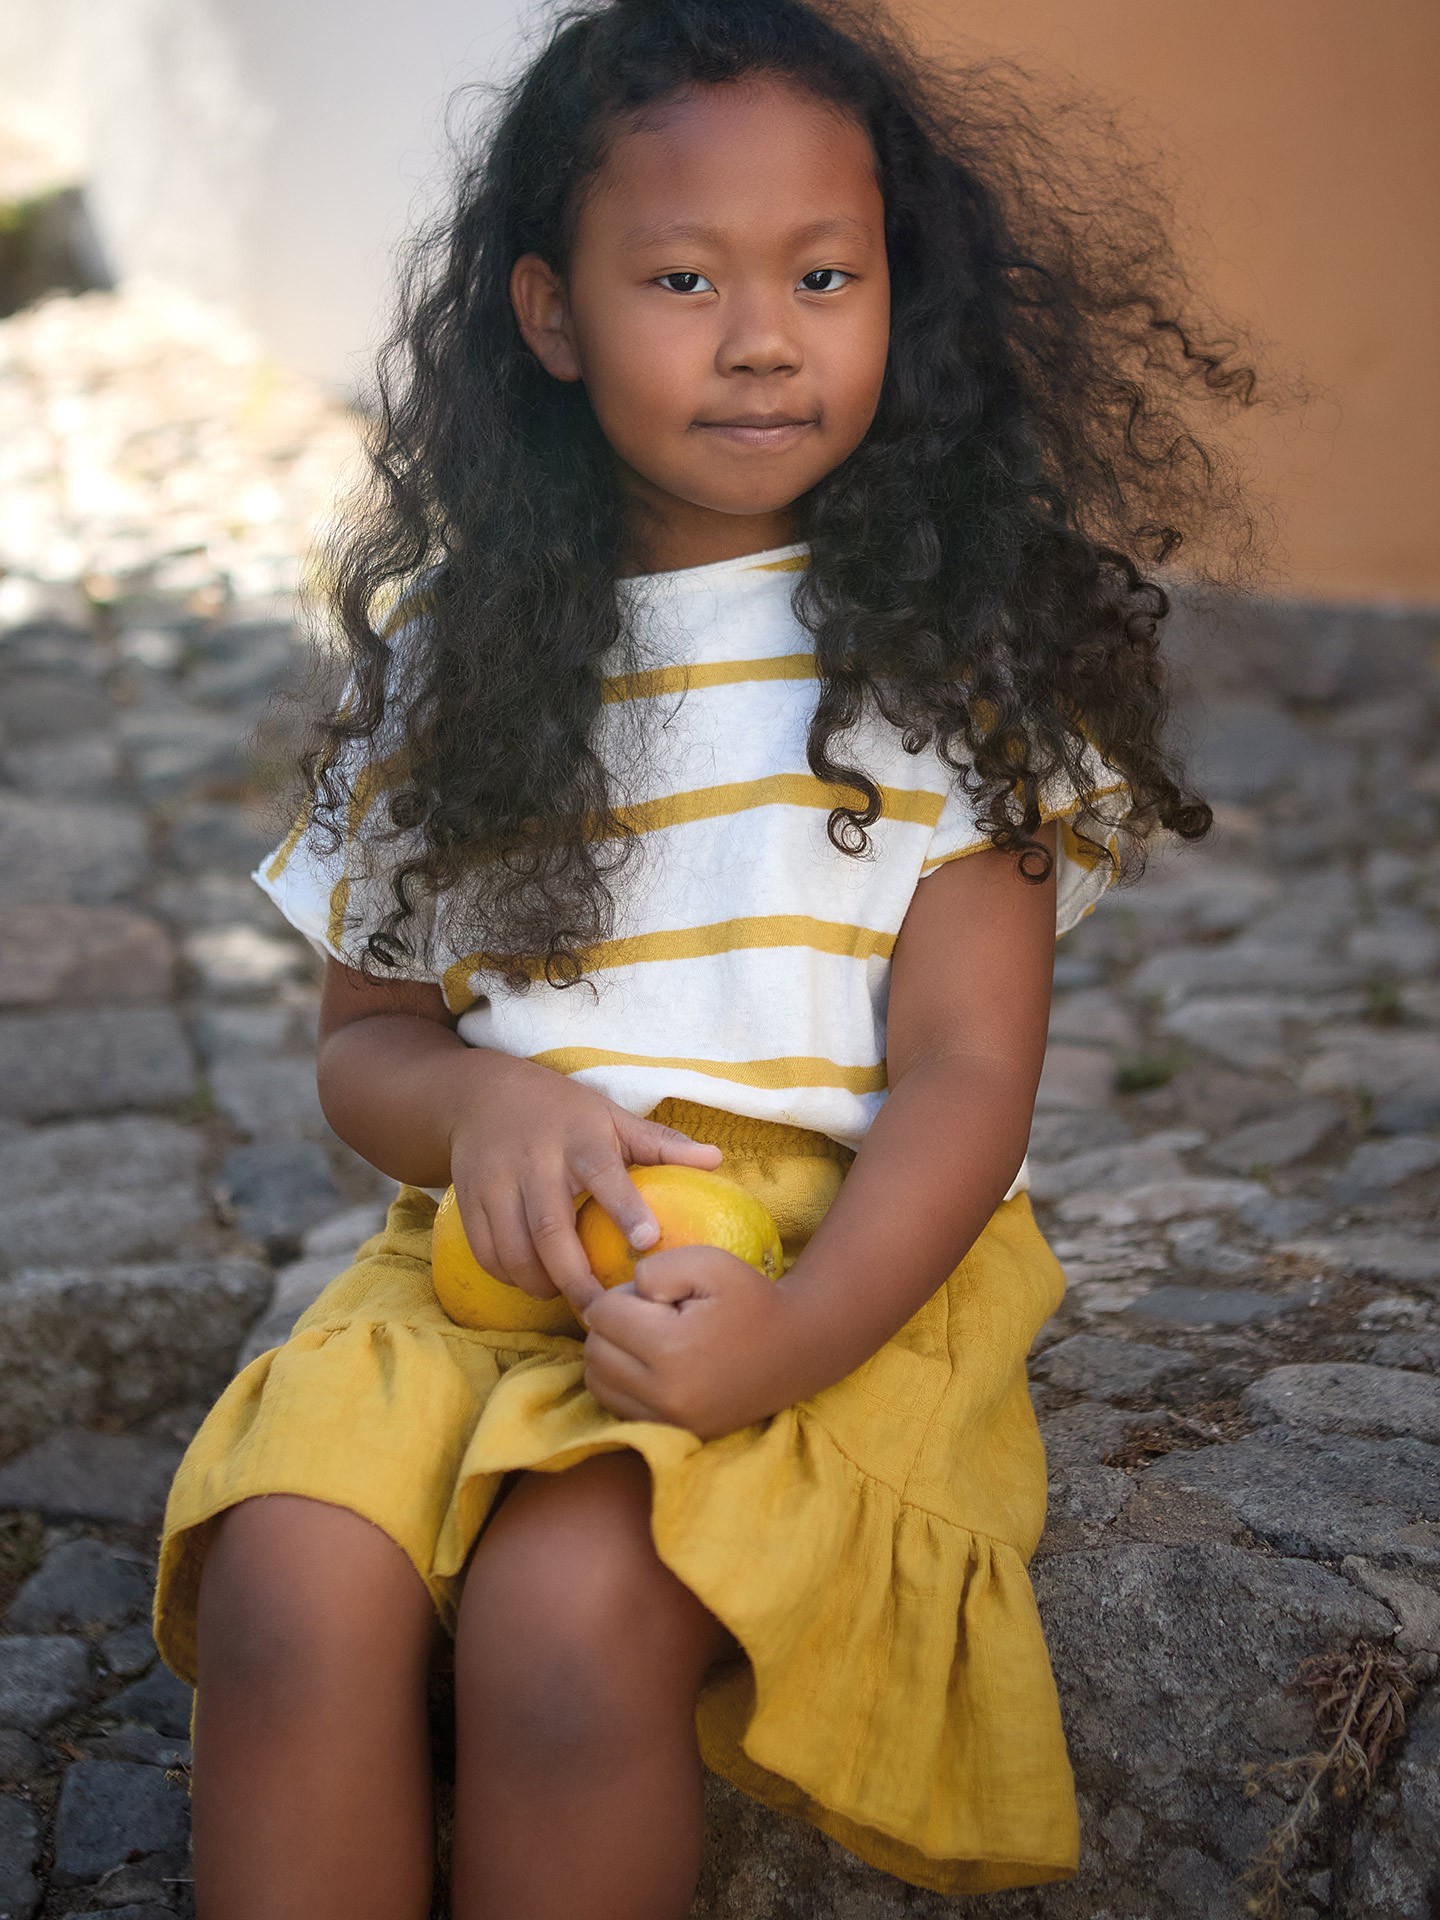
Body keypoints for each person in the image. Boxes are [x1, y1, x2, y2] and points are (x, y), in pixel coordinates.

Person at [153, 1, 1257, 1913]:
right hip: (485, 1260)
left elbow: (970, 1082)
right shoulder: (462, 666)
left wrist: (794, 1337)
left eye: (825, 275)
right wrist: (481, 1102)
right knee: (282, 1581)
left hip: (832, 1266)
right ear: (551, 316)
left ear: (902, 295)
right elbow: (367, 1044)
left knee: (568, 1628)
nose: (765, 336)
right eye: (683, 277)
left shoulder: (950, 660)